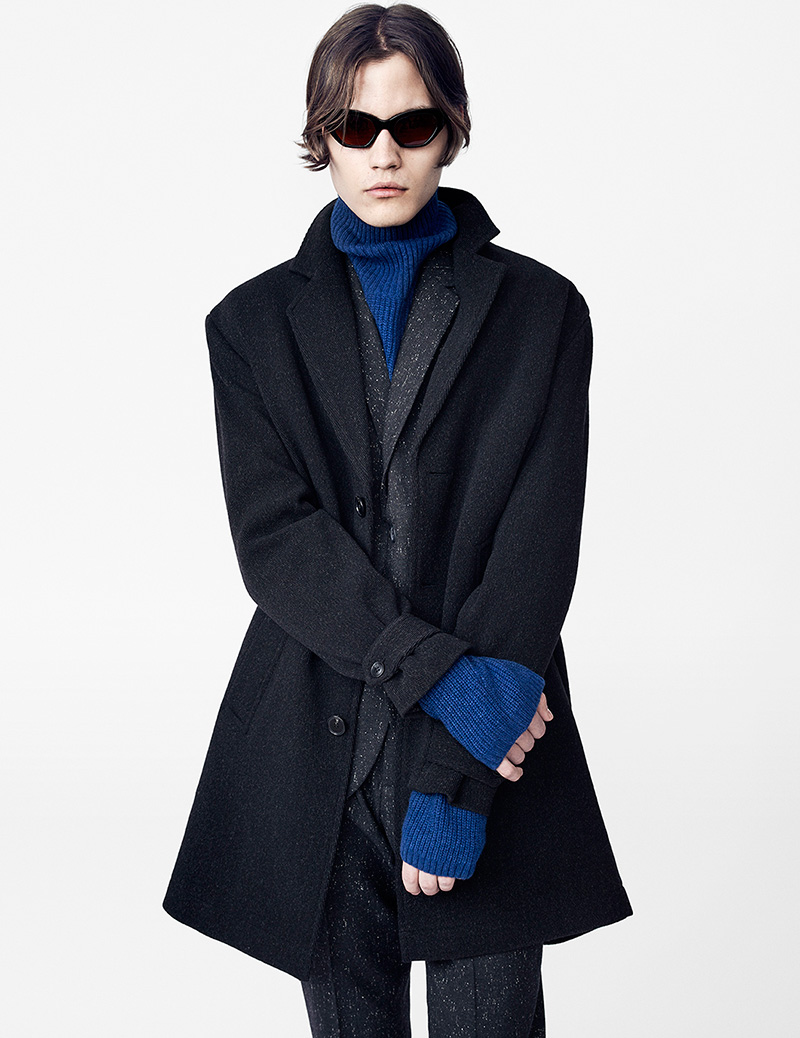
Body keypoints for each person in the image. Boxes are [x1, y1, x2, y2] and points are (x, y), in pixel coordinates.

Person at [162, 4, 633, 1035]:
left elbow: (535, 548)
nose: (383, 153)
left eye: (411, 126)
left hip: (489, 747)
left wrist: (459, 771)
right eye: (354, 126)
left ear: (450, 131)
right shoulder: (248, 327)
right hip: (315, 756)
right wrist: (445, 680)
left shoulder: (542, 313)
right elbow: (276, 544)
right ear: (321, 135)